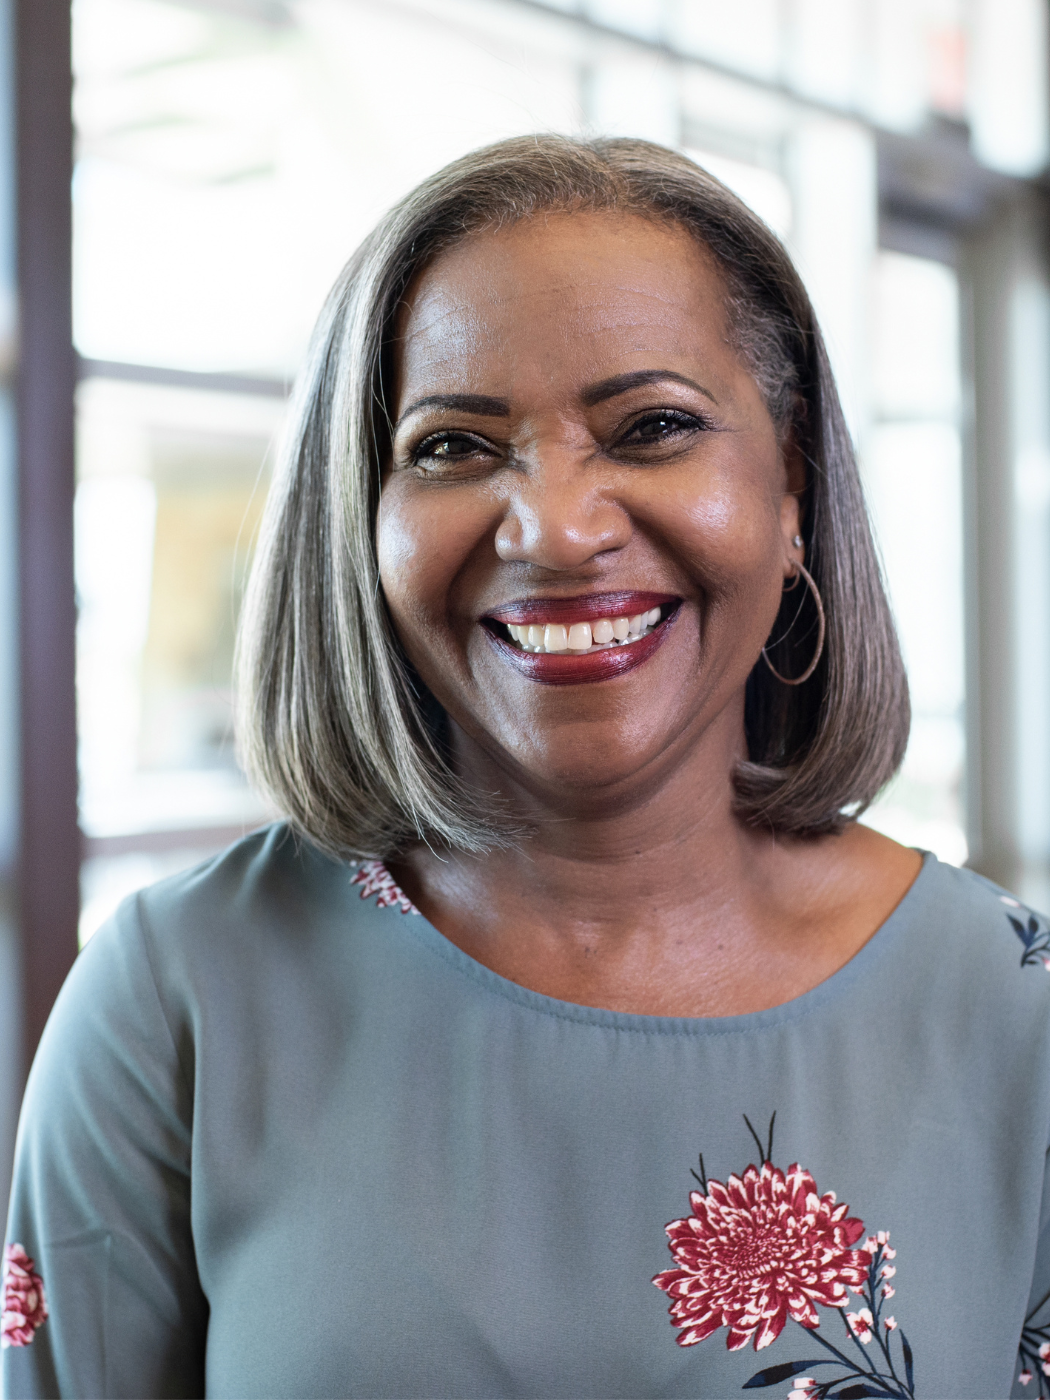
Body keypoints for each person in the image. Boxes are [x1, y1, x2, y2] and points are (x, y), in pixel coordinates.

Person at [3, 134, 1048, 1400]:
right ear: (362, 520)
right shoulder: (177, 1000)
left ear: (792, 492)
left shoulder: (1016, 1018)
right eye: (452, 445)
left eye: (653, 426)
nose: (556, 527)